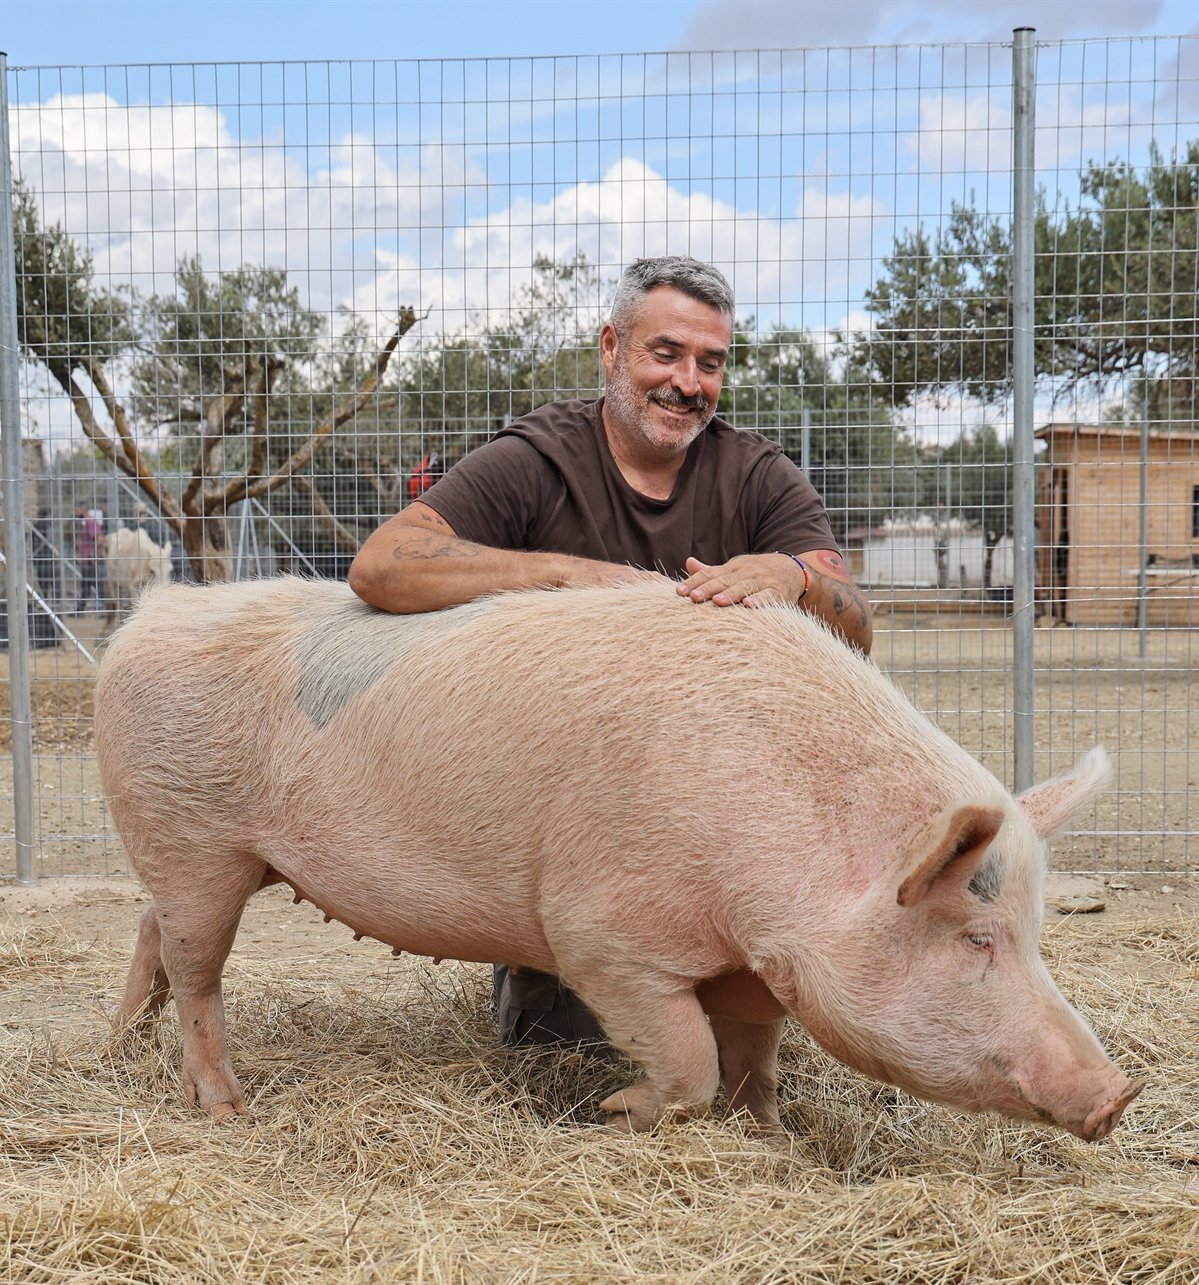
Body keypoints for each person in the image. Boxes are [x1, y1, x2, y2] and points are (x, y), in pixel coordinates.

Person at [348, 254, 872, 1049]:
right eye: (665, 353)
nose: (687, 382)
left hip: (716, 840)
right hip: (576, 844)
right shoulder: (538, 459)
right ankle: (542, 975)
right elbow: (382, 565)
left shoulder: (758, 475)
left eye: (711, 362)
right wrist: (560, 573)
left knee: (762, 1022)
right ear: (612, 349)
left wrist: (792, 574)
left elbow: (857, 622)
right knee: (578, 1047)